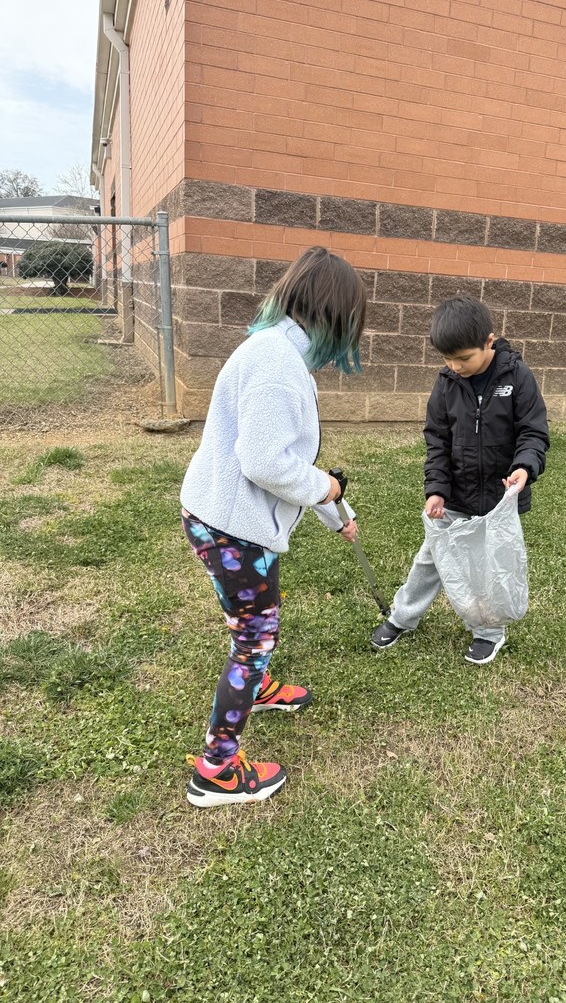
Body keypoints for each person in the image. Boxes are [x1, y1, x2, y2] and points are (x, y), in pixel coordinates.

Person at [180, 246, 367, 807]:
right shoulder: (276, 364)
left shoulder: (278, 352)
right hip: (231, 529)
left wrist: (338, 515)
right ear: (334, 313)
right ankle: (215, 771)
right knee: (255, 636)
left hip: (221, 520)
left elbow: (285, 457)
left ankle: (256, 688)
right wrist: (327, 490)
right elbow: (265, 463)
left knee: (251, 626)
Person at [371, 295, 549, 664]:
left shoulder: (517, 377)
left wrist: (524, 467)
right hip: (454, 498)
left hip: (497, 501)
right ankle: (402, 617)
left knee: (488, 568)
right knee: (429, 562)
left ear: (489, 341)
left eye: (463, 358)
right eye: (447, 359)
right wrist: (436, 489)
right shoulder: (447, 382)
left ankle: (488, 632)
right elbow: (437, 440)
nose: (455, 366)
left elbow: (533, 432)